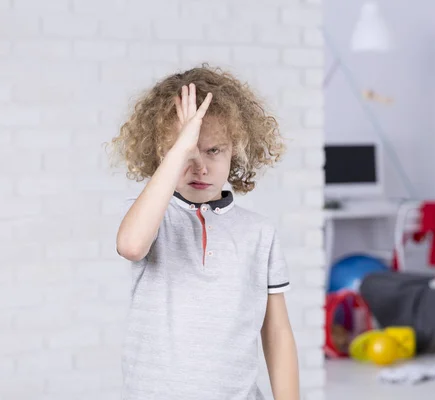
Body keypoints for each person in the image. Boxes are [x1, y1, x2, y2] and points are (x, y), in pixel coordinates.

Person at [109, 65, 300, 400]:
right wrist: (181, 146)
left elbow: (277, 331)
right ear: (163, 155)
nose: (200, 167)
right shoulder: (153, 217)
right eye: (186, 153)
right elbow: (131, 245)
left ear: (235, 150)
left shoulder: (258, 232)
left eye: (214, 150)